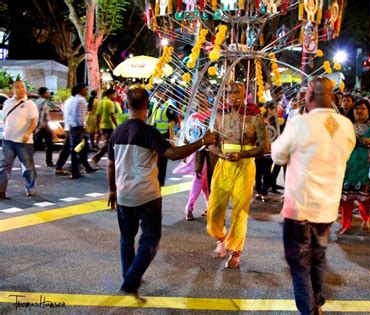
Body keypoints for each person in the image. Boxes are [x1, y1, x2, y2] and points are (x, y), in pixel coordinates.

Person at [107, 87, 216, 298]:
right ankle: (131, 281)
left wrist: (111, 190)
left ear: (126, 105)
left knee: (126, 238)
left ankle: (129, 275)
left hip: (123, 196)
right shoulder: (148, 132)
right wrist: (202, 141)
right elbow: (173, 154)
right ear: (147, 106)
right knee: (150, 239)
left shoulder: (117, 131)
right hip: (147, 195)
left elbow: (110, 165)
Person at [272, 77, 355, 315]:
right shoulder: (345, 125)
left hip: (300, 209)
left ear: (309, 96)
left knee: (299, 264)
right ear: (332, 96)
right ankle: (317, 303)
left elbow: (278, 155)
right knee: (318, 256)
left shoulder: (300, 123)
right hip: (327, 209)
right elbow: (344, 155)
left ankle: (309, 310)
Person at [206, 82, 268, 269]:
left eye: (236, 92)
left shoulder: (255, 116)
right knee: (214, 210)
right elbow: (210, 144)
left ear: (245, 94)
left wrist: (243, 155)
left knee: (240, 211)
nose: (232, 95)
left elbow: (264, 147)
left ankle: (236, 252)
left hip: (245, 165)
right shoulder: (220, 115)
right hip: (224, 166)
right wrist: (220, 155)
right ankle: (221, 237)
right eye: (229, 92)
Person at [339, 99, 370, 235]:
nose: (359, 111)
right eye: (356, 108)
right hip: (348, 166)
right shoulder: (347, 126)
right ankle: (345, 224)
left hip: (366, 167)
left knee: (364, 198)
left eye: (362, 108)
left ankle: (366, 219)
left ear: (368, 111)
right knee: (346, 199)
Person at [0, 80, 39, 198]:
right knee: (4, 166)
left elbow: (34, 121)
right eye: (18, 87)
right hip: (8, 140)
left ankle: (30, 188)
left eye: (23, 87)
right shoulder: (7, 103)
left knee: (28, 167)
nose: (21, 89)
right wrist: (6, 130)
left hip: (24, 142)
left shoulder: (30, 104)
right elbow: (5, 119)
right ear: (13, 90)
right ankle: (1, 190)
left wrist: (28, 133)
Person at [59, 83, 96, 179]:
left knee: (77, 149)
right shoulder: (80, 100)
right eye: (85, 89)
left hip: (71, 126)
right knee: (79, 149)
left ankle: (85, 167)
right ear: (80, 90)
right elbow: (79, 116)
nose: (86, 91)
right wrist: (81, 128)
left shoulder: (70, 100)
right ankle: (75, 171)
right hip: (77, 127)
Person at [149, 88, 179, 186]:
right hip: (155, 135)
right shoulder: (157, 105)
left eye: (159, 92)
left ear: (165, 93)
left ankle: (160, 181)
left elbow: (171, 123)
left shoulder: (169, 106)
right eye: (157, 93)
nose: (157, 94)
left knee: (162, 161)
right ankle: (154, 179)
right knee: (154, 159)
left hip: (164, 136)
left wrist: (171, 139)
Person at [91, 88, 118, 166]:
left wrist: (97, 126)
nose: (114, 96)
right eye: (114, 94)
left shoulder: (101, 102)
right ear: (109, 94)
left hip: (102, 125)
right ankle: (97, 157)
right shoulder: (110, 103)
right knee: (109, 143)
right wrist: (117, 125)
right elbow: (112, 115)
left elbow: (98, 115)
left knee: (109, 143)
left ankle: (111, 159)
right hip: (109, 125)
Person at [34, 87, 54, 167]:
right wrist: (41, 126)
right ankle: (49, 162)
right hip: (44, 126)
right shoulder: (44, 102)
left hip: (39, 125)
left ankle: (26, 159)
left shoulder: (37, 102)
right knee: (49, 144)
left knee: (36, 145)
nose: (48, 94)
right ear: (43, 94)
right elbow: (43, 115)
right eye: (46, 92)